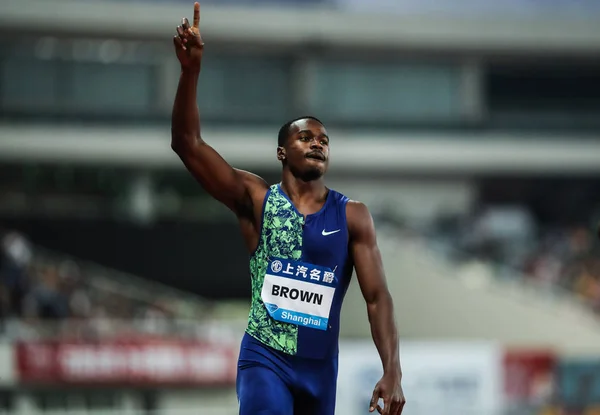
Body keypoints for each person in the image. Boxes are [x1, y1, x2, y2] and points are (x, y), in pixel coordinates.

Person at [171, 3, 406, 414]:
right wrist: (191, 73)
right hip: (266, 359)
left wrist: (393, 370)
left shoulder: (353, 216)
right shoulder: (257, 199)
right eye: (306, 137)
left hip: (320, 371)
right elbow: (187, 144)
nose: (318, 142)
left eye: (324, 140)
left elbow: (377, 297)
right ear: (282, 151)